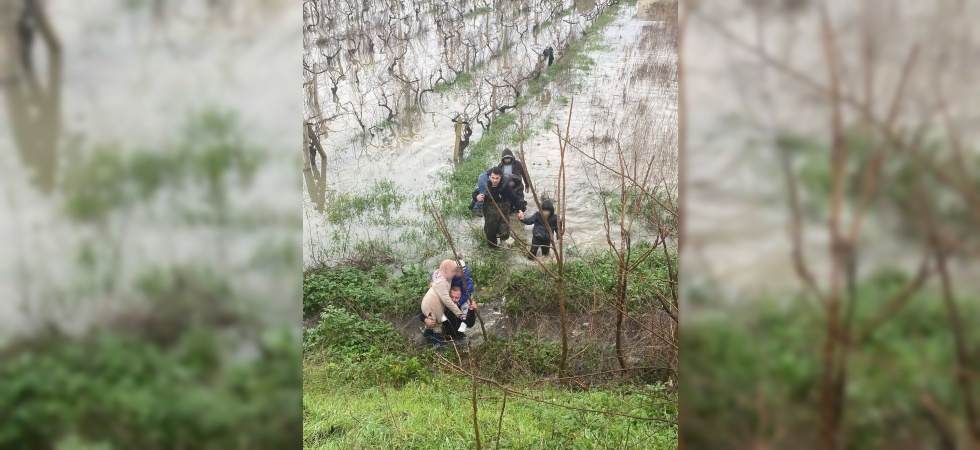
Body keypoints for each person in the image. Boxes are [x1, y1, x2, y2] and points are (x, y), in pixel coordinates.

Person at [476, 167, 527, 248]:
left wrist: (520, 211)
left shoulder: (505, 187)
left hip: (503, 213)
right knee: (490, 233)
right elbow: (475, 194)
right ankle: (493, 249)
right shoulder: (485, 184)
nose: (494, 180)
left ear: (501, 177)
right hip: (490, 215)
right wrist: (477, 197)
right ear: (489, 177)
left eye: (497, 178)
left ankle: (503, 245)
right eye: (492, 178)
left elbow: (515, 199)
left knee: (505, 232)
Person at [420, 260, 466, 344]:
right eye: (453, 271)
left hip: (453, 331)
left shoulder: (445, 279)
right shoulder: (441, 283)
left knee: (435, 325)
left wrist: (461, 332)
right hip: (433, 307)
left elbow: (468, 321)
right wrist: (425, 319)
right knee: (437, 326)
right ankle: (437, 347)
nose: (455, 273)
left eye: (457, 297)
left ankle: (426, 338)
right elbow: (446, 300)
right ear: (445, 271)